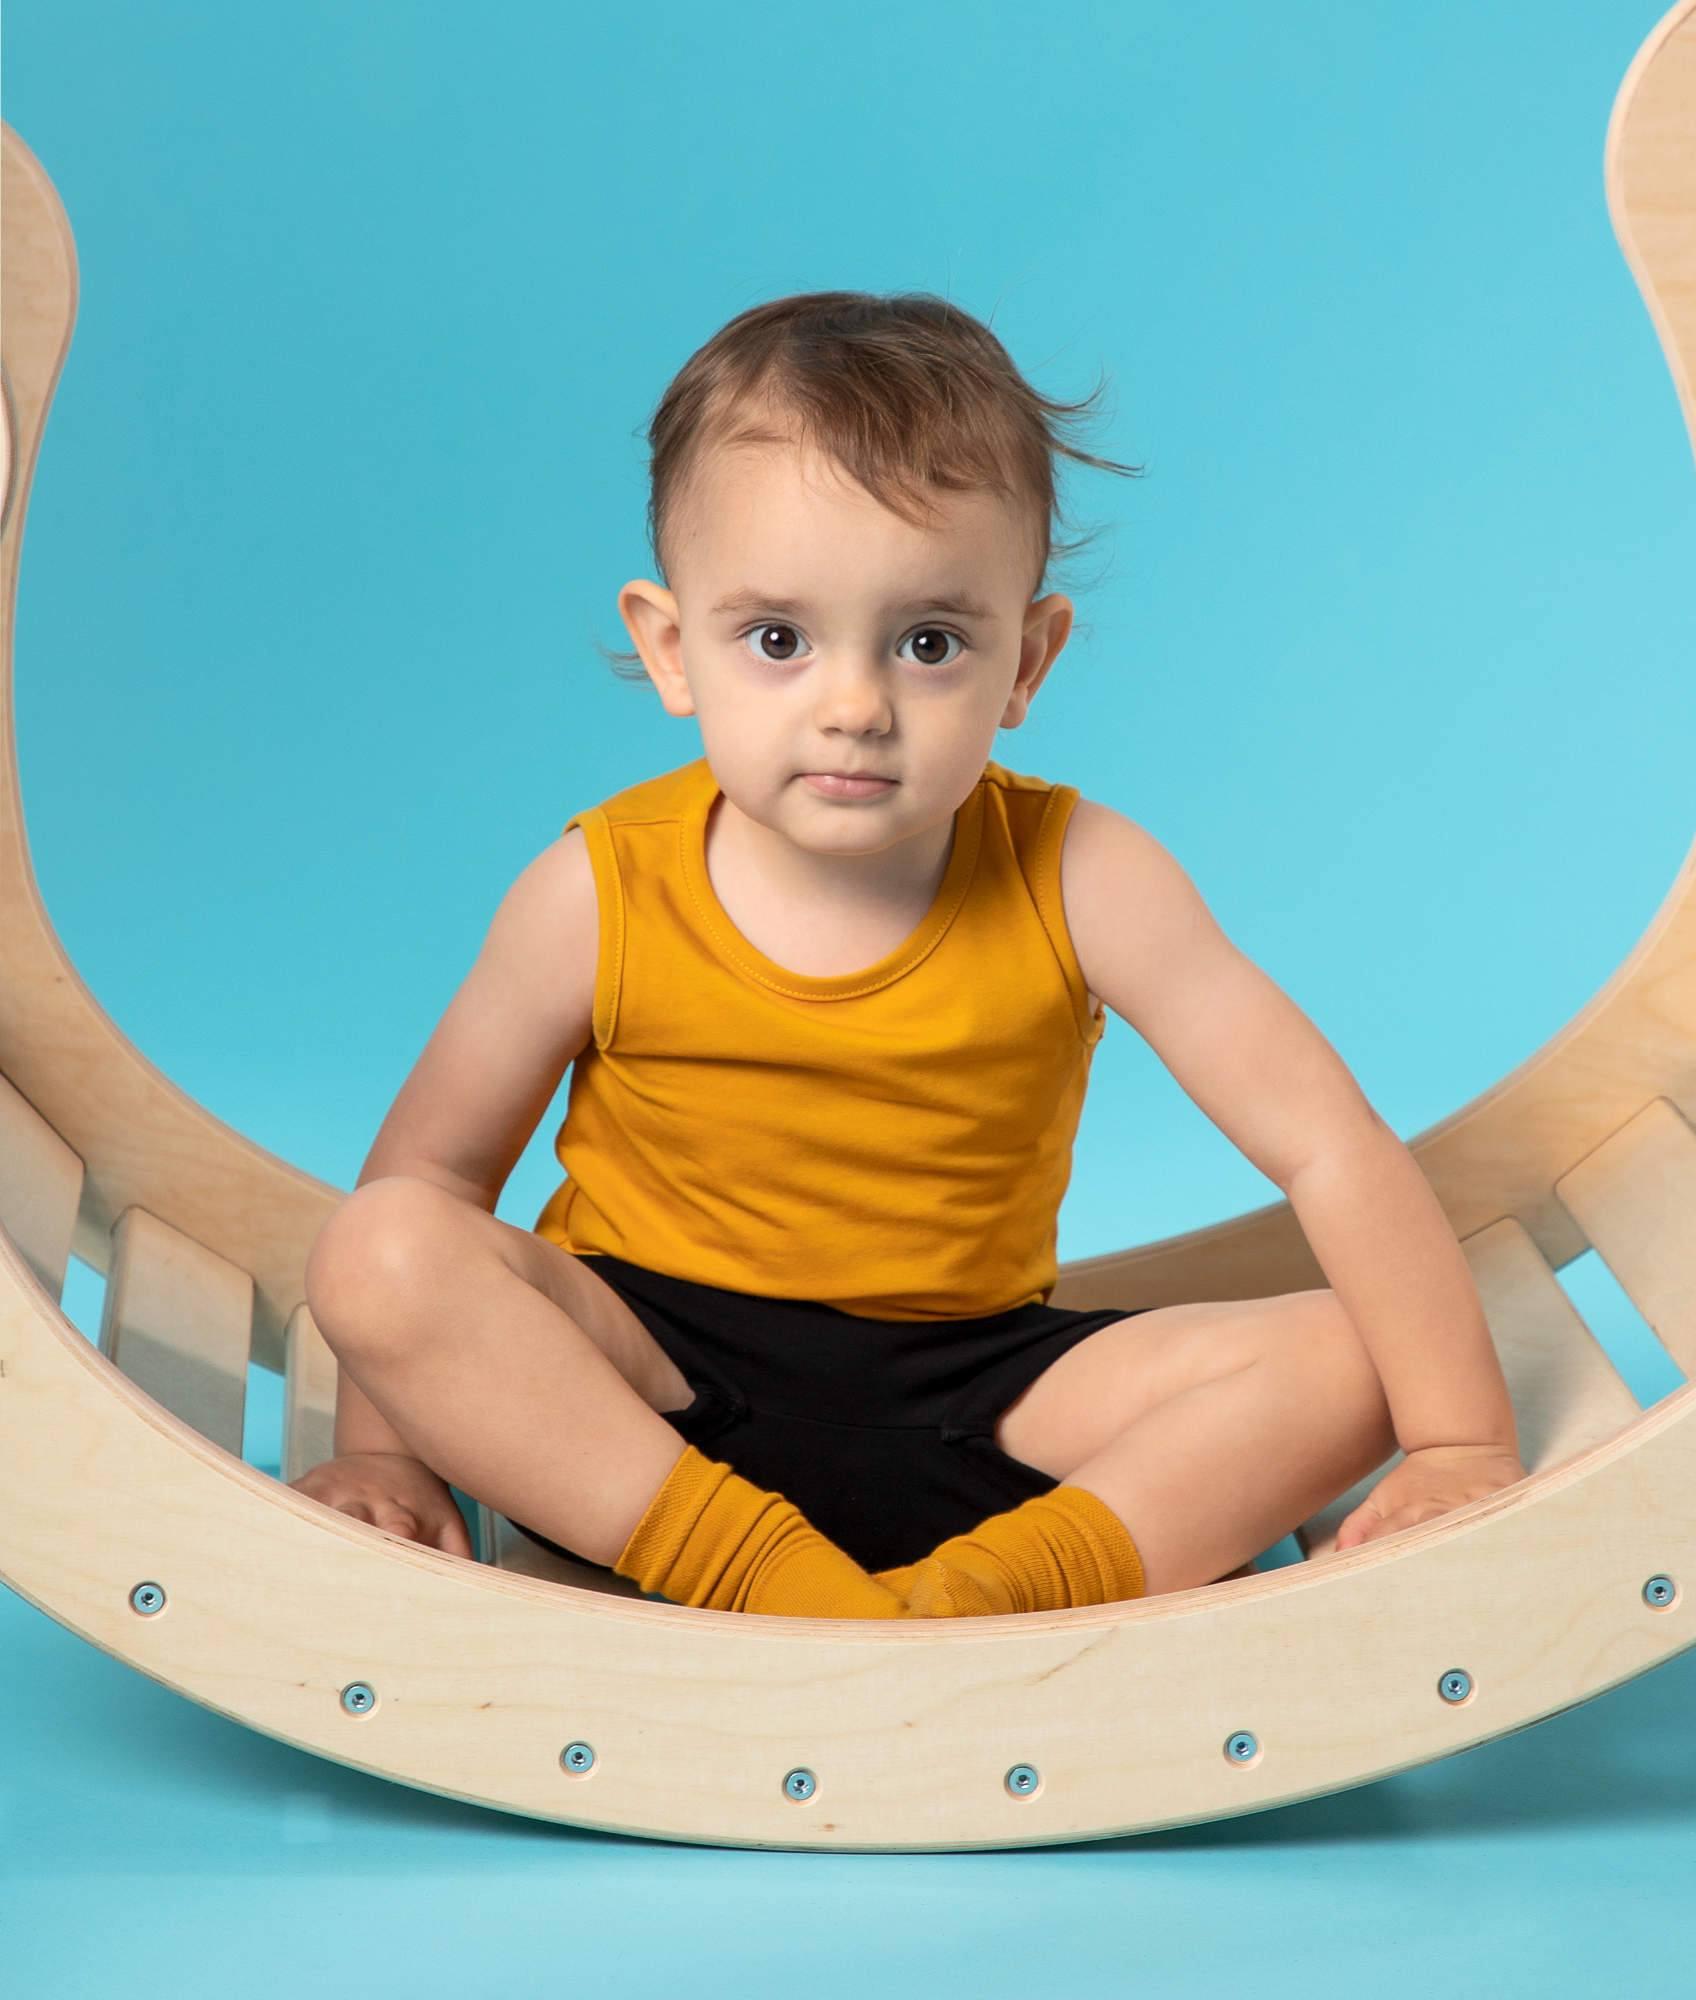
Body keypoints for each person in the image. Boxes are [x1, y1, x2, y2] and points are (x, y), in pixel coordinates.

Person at [289, 290, 1522, 1618]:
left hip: (980, 1402)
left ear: (1026, 661)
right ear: (671, 648)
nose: (856, 707)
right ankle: (764, 1577)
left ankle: (974, 1602)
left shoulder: (1088, 876)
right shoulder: (597, 888)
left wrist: (1457, 1438)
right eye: (778, 640)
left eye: (928, 643)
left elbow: (1325, 1145)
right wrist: (384, 1454)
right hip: (641, 1406)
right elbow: (437, 1162)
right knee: (382, 1249)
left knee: (1349, 1362)